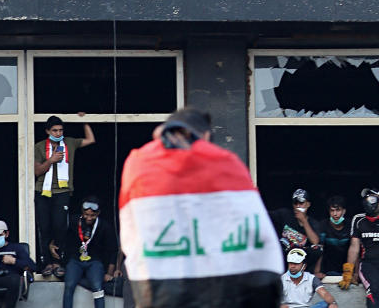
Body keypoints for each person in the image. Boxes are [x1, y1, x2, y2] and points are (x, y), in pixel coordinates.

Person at [119, 106, 281, 308]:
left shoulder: (138, 164)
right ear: (205, 134)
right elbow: (255, 235)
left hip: (160, 288)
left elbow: (131, 233)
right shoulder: (226, 164)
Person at [34, 115, 96, 275]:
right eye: (54, 130)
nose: (58, 133)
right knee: (44, 227)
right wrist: (51, 160)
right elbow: (37, 171)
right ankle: (47, 263)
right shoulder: (39, 147)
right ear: (47, 131)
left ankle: (58, 262)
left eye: (60, 130)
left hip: (63, 191)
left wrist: (84, 121)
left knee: (61, 226)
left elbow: (90, 140)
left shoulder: (69, 142)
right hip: (43, 191)